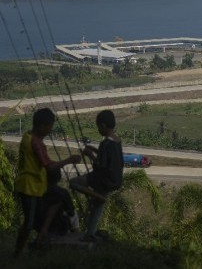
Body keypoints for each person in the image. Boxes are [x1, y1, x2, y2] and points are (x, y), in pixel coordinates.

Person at [13, 108, 81, 257]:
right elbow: (49, 166)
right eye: (49, 126)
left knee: (59, 198)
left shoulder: (27, 137)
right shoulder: (36, 144)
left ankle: (42, 233)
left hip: (36, 185)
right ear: (42, 126)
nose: (50, 130)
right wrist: (69, 160)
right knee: (29, 223)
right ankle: (17, 252)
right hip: (30, 187)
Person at [70, 110, 123, 242]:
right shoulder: (116, 141)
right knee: (96, 208)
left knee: (73, 182)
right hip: (114, 180)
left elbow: (100, 165)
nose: (98, 129)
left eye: (98, 126)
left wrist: (90, 155)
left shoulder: (105, 143)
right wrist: (94, 149)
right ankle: (90, 233)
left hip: (102, 179)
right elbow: (108, 157)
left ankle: (97, 196)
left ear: (103, 126)